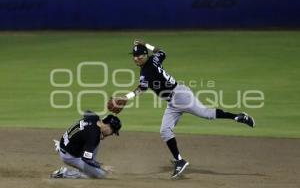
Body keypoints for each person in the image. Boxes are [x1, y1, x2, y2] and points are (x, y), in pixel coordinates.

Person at [108, 40, 255, 179]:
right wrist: (146, 44)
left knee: (207, 114)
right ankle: (179, 161)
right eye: (134, 56)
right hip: (173, 101)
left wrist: (126, 97)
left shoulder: (147, 70)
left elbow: (142, 88)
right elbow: (162, 52)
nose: (136, 58)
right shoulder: (154, 59)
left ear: (145, 55)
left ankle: (238, 117)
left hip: (181, 96)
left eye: (139, 55)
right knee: (165, 131)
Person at [50, 110, 121, 179]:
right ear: (108, 126)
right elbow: (86, 159)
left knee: (97, 139)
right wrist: (102, 166)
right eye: (113, 131)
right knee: (101, 174)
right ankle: (65, 173)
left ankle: (89, 167)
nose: (112, 134)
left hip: (66, 144)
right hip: (69, 156)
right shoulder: (93, 135)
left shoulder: (94, 118)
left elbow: (87, 112)